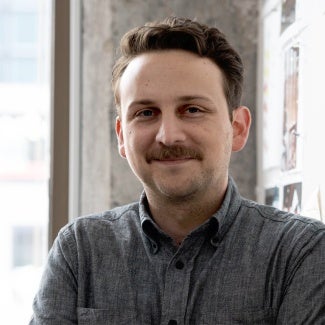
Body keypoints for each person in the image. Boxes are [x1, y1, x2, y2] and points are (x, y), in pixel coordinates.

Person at [30, 17, 325, 324]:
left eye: (192, 110)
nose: (168, 136)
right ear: (121, 135)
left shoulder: (300, 252)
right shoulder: (79, 250)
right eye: (146, 113)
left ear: (237, 128)